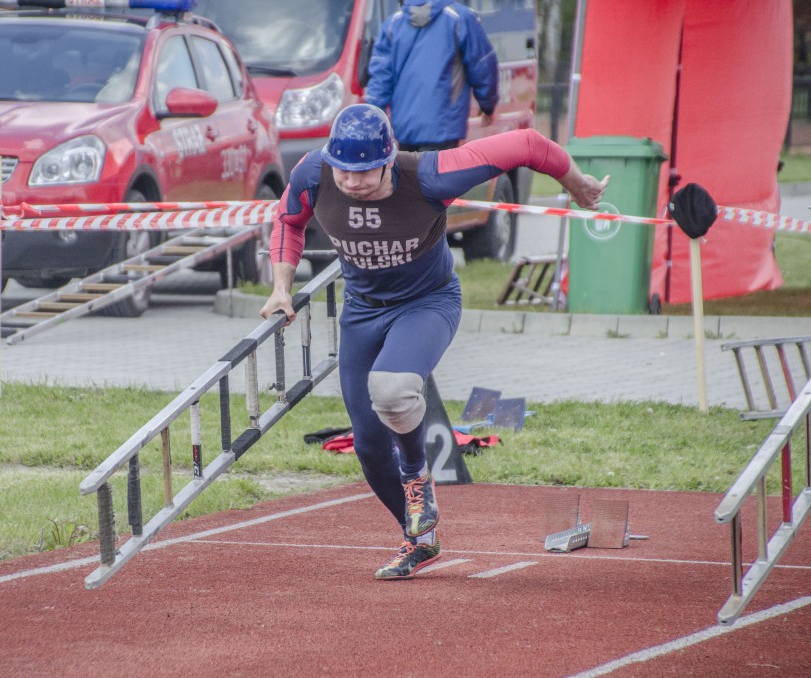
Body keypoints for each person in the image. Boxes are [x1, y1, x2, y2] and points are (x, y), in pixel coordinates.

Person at [260, 104, 608, 580]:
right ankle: (419, 539)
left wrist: (577, 183)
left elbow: (526, 144)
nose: (354, 183)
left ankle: (417, 476)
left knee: (393, 391)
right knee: (367, 443)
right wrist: (281, 287)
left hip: (427, 303)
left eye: (366, 173)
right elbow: (287, 221)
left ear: (390, 158)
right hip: (362, 310)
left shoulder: (430, 175)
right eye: (344, 171)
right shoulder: (312, 173)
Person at [364, 0, 498, 152]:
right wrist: (487, 105)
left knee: (410, 174)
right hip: (444, 127)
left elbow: (379, 78)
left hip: (405, 129)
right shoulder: (460, 18)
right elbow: (482, 64)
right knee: (437, 174)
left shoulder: (392, 24)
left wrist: (372, 121)